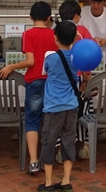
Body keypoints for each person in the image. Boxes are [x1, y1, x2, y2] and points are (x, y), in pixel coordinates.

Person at [0, 1, 58, 175]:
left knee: (32, 121)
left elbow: (30, 61)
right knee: (50, 122)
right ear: (48, 18)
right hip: (52, 82)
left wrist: (11, 67)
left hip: (35, 82)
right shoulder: (54, 35)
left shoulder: (28, 34)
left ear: (31, 17)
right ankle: (49, 160)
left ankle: (33, 161)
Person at [37, 21, 79, 191]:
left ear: (55, 38)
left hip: (54, 107)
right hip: (72, 106)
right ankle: (66, 180)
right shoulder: (77, 58)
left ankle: (48, 182)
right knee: (69, 140)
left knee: (49, 141)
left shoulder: (50, 57)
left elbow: (44, 72)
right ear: (74, 38)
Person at [55, 0, 93, 162]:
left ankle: (59, 149)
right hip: (78, 79)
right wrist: (86, 76)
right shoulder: (82, 31)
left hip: (59, 81)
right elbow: (89, 55)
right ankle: (85, 146)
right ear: (76, 16)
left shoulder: (55, 32)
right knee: (84, 111)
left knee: (59, 115)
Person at [79, 0, 106, 143]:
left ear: (105, 2)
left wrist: (105, 41)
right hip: (84, 59)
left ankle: (104, 127)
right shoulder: (82, 13)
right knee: (85, 92)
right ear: (89, 0)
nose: (95, 6)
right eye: (93, 2)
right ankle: (83, 124)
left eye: (99, 3)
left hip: (105, 59)